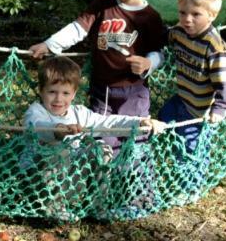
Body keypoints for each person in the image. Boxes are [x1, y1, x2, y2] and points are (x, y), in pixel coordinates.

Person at [28, 0, 167, 151]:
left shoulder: (150, 17)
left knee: (135, 138)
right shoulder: (104, 4)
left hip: (134, 91)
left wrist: (149, 62)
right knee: (101, 139)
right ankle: (104, 178)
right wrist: (49, 44)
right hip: (103, 90)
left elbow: (159, 52)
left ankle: (134, 179)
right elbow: (78, 28)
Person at [22, 56, 164, 220]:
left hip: (69, 178)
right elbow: (36, 128)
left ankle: (98, 206)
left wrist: (139, 123)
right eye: (52, 92)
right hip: (36, 178)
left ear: (74, 94)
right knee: (61, 151)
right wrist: (57, 130)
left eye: (65, 93)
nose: (58, 99)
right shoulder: (36, 111)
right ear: (41, 90)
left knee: (100, 149)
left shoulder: (79, 113)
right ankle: (53, 208)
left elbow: (107, 123)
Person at [158, 0, 226, 196]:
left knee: (192, 147)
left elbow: (225, 81)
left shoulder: (214, 46)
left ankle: (191, 187)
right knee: (164, 118)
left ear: (212, 15)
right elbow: (166, 36)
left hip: (200, 110)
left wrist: (219, 108)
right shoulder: (180, 32)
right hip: (182, 97)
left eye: (196, 14)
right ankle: (170, 156)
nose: (187, 20)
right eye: (182, 13)